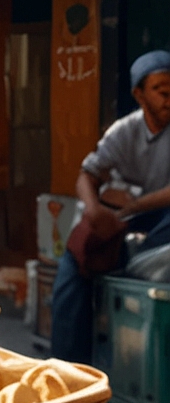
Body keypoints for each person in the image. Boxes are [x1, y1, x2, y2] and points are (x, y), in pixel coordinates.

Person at [51, 50, 170, 362]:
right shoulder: (124, 130)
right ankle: (67, 374)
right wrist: (94, 210)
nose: (169, 98)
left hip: (156, 223)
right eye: (161, 91)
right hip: (116, 221)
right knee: (74, 272)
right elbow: (87, 175)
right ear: (139, 95)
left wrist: (132, 207)